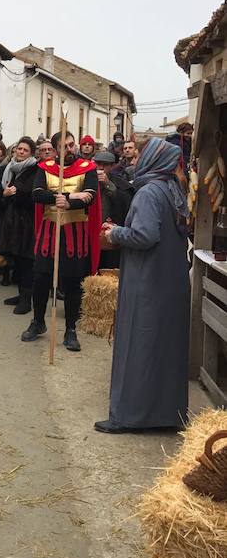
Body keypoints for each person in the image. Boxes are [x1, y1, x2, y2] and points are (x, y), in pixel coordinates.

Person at [96, 139, 189, 433]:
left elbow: (145, 235)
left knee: (140, 344)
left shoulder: (150, 192)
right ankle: (165, 414)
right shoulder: (174, 190)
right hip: (169, 281)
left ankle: (130, 416)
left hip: (147, 281)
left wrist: (115, 232)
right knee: (164, 348)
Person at [21, 130, 101, 352]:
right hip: (49, 232)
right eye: (64, 146)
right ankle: (38, 322)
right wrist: (69, 197)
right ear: (55, 149)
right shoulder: (44, 168)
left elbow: (91, 195)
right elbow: (36, 194)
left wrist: (70, 202)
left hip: (76, 235)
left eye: (71, 145)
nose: (69, 149)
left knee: (73, 282)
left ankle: (71, 329)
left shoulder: (89, 169)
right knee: (40, 279)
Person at [0, 136, 39, 315]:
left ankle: (27, 300)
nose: (20, 152)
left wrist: (16, 194)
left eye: (24, 150)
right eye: (18, 149)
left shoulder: (35, 170)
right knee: (17, 261)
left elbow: (34, 197)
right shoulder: (9, 169)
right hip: (11, 221)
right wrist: (3, 194)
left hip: (27, 224)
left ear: (31, 153)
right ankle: (20, 294)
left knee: (27, 262)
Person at [94, 151, 134, 268]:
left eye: (105, 165)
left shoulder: (120, 183)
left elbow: (125, 203)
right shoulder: (87, 180)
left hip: (110, 234)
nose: (100, 168)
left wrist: (108, 184)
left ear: (111, 166)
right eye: (98, 163)